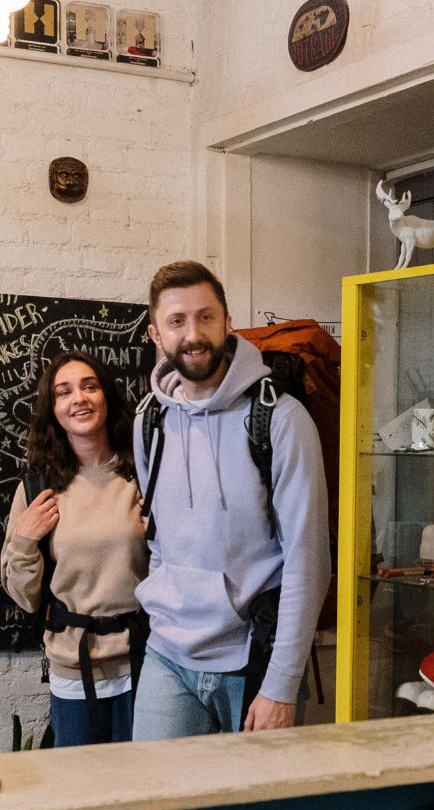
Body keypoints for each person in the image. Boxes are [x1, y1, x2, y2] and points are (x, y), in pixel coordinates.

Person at [131, 261, 330, 739]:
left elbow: (308, 561)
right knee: (156, 808)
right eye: (177, 321)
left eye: (205, 317)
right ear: (156, 333)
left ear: (226, 321)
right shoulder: (149, 421)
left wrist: (282, 685)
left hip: (252, 659)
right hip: (166, 656)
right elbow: (158, 540)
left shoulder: (280, 420)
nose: (193, 333)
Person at [0, 351, 149, 746]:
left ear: (106, 397)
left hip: (146, 661)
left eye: (89, 386)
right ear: (53, 410)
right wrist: (25, 538)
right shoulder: (38, 488)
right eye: (63, 392)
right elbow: (25, 598)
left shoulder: (142, 474)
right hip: (73, 666)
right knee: (81, 793)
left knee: (148, 786)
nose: (78, 398)